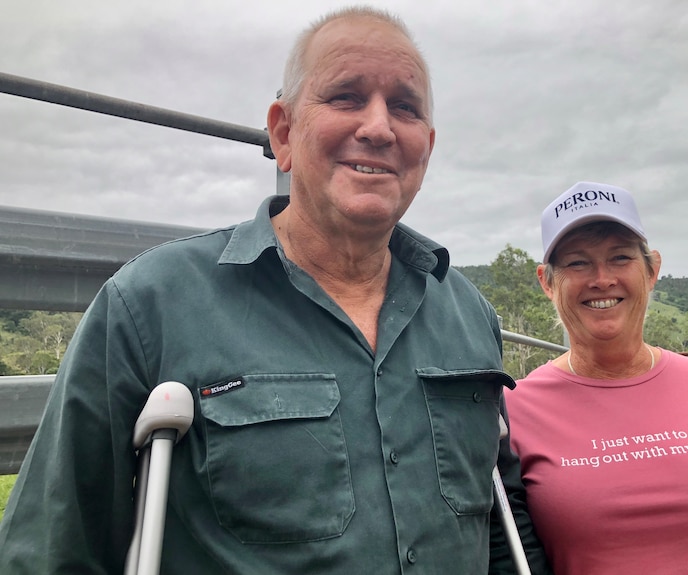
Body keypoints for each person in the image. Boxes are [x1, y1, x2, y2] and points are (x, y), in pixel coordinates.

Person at [0, 7, 550, 574]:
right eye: (346, 96)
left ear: (426, 145)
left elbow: (501, 531)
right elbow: (53, 552)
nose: (380, 127)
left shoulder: (468, 315)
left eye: (405, 107)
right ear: (283, 132)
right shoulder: (149, 306)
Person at [503, 181, 688, 574]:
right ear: (547, 281)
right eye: (577, 262)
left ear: (652, 269)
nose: (602, 278)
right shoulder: (516, 410)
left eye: (620, 257)